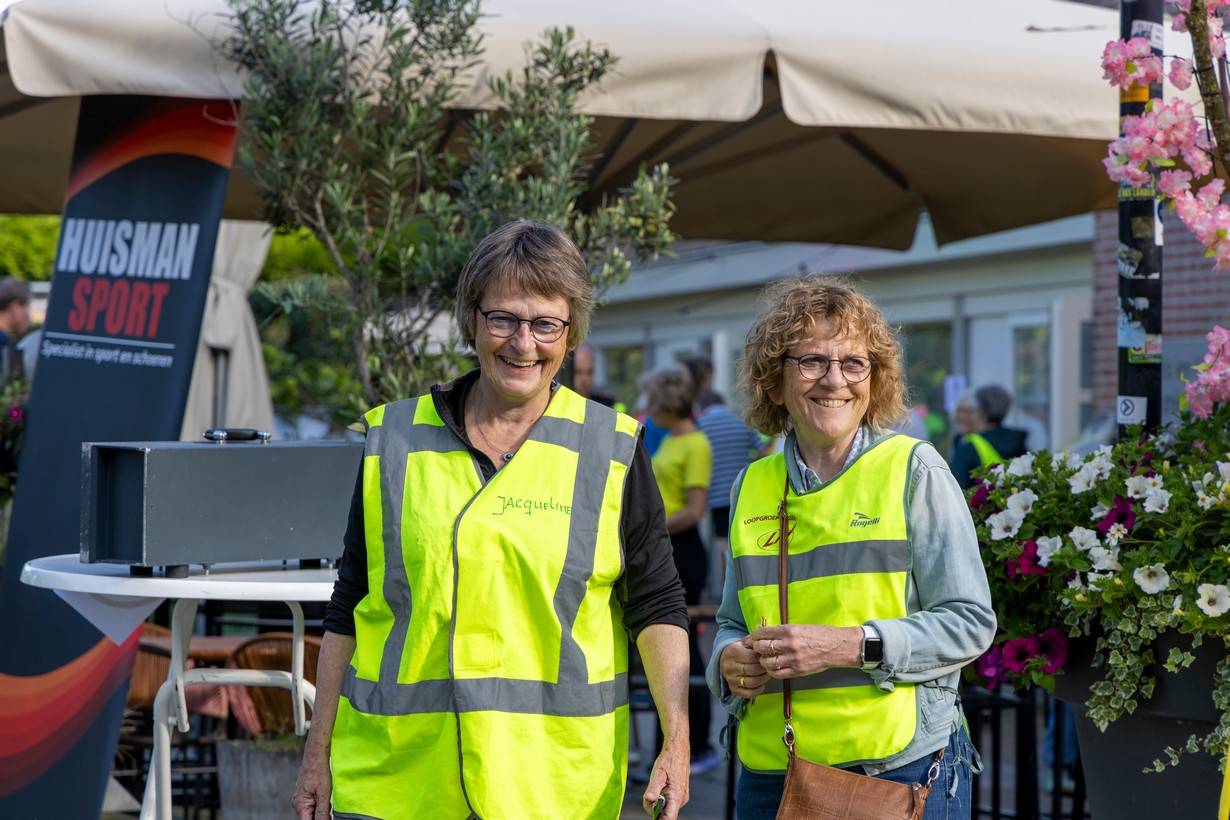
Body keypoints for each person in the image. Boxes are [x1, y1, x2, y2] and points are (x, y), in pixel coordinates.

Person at [294, 221, 692, 820]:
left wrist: (677, 743)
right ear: (472, 321)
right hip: (399, 782)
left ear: (571, 332)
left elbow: (656, 604)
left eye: (545, 324)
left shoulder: (613, 448)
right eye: (503, 318)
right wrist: (315, 753)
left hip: (552, 787)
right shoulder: (395, 439)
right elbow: (350, 601)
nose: (522, 343)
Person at [707, 275, 995, 819]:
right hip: (772, 771)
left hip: (897, 767)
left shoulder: (915, 470)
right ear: (775, 382)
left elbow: (970, 622)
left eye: (854, 363)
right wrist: (728, 660)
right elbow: (730, 621)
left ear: (874, 378)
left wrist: (848, 645)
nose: (834, 380)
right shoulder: (752, 485)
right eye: (811, 361)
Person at [639, 365, 718, 774]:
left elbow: (695, 509)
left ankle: (700, 741)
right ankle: (670, 743)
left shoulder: (696, 444)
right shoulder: (670, 438)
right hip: (665, 545)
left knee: (683, 647)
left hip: (682, 550)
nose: (648, 408)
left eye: (653, 400)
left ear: (670, 401)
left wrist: (648, 529)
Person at [694, 389, 766, 584]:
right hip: (744, 490)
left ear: (702, 407)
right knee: (744, 538)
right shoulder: (742, 423)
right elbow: (761, 451)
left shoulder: (700, 425)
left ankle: (728, 585)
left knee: (721, 543)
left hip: (716, 493)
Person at [950, 383, 1029, 489]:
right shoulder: (1018, 442)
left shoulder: (969, 448)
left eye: (972, 410)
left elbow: (954, 490)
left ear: (980, 412)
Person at [0, 277, 32, 384]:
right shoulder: (7, 346)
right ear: (15, 306)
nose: (28, 316)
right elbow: (14, 393)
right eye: (27, 307)